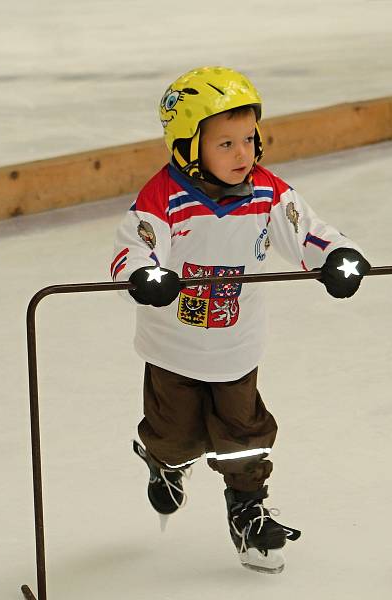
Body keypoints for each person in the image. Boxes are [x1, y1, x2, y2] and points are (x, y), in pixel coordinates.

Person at [110, 66, 370, 574]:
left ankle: (247, 508)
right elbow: (134, 246)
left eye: (249, 139)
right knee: (176, 433)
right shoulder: (165, 198)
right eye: (225, 143)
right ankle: (165, 461)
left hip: (236, 349)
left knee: (244, 435)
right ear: (187, 146)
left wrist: (338, 255)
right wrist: (146, 275)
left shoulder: (268, 193)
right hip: (174, 351)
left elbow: (309, 233)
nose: (243, 153)